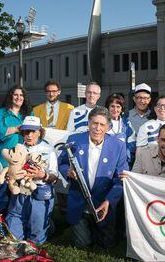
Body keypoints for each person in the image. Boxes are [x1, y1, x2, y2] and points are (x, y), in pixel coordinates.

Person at [59, 106, 128, 248]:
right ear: (88, 124)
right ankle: (81, 224)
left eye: (102, 124)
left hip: (103, 202)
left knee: (105, 245)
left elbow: (121, 178)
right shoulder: (75, 140)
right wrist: (68, 171)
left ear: (108, 127)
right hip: (79, 200)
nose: (97, 128)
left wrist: (109, 201)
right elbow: (62, 162)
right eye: (94, 123)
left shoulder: (118, 146)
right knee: (81, 244)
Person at [6, 116, 58, 245]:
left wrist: (43, 175)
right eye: (26, 131)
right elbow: (10, 169)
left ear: (39, 132)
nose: (29, 135)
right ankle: (34, 221)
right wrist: (9, 176)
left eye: (33, 131)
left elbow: (55, 178)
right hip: (20, 191)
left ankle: (46, 224)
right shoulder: (16, 148)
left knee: (36, 241)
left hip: (39, 190)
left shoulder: (48, 150)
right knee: (13, 239)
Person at [0, 86, 32, 167]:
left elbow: (35, 131)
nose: (19, 97)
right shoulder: (1, 112)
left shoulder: (29, 113)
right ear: (10, 96)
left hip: (24, 156)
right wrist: (16, 129)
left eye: (21, 95)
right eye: (15, 95)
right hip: (6, 155)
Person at [104, 93, 136, 168]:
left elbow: (131, 143)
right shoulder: (102, 122)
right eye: (112, 106)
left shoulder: (126, 123)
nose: (115, 110)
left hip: (122, 162)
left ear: (122, 108)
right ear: (107, 107)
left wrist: (124, 155)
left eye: (118, 107)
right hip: (105, 161)